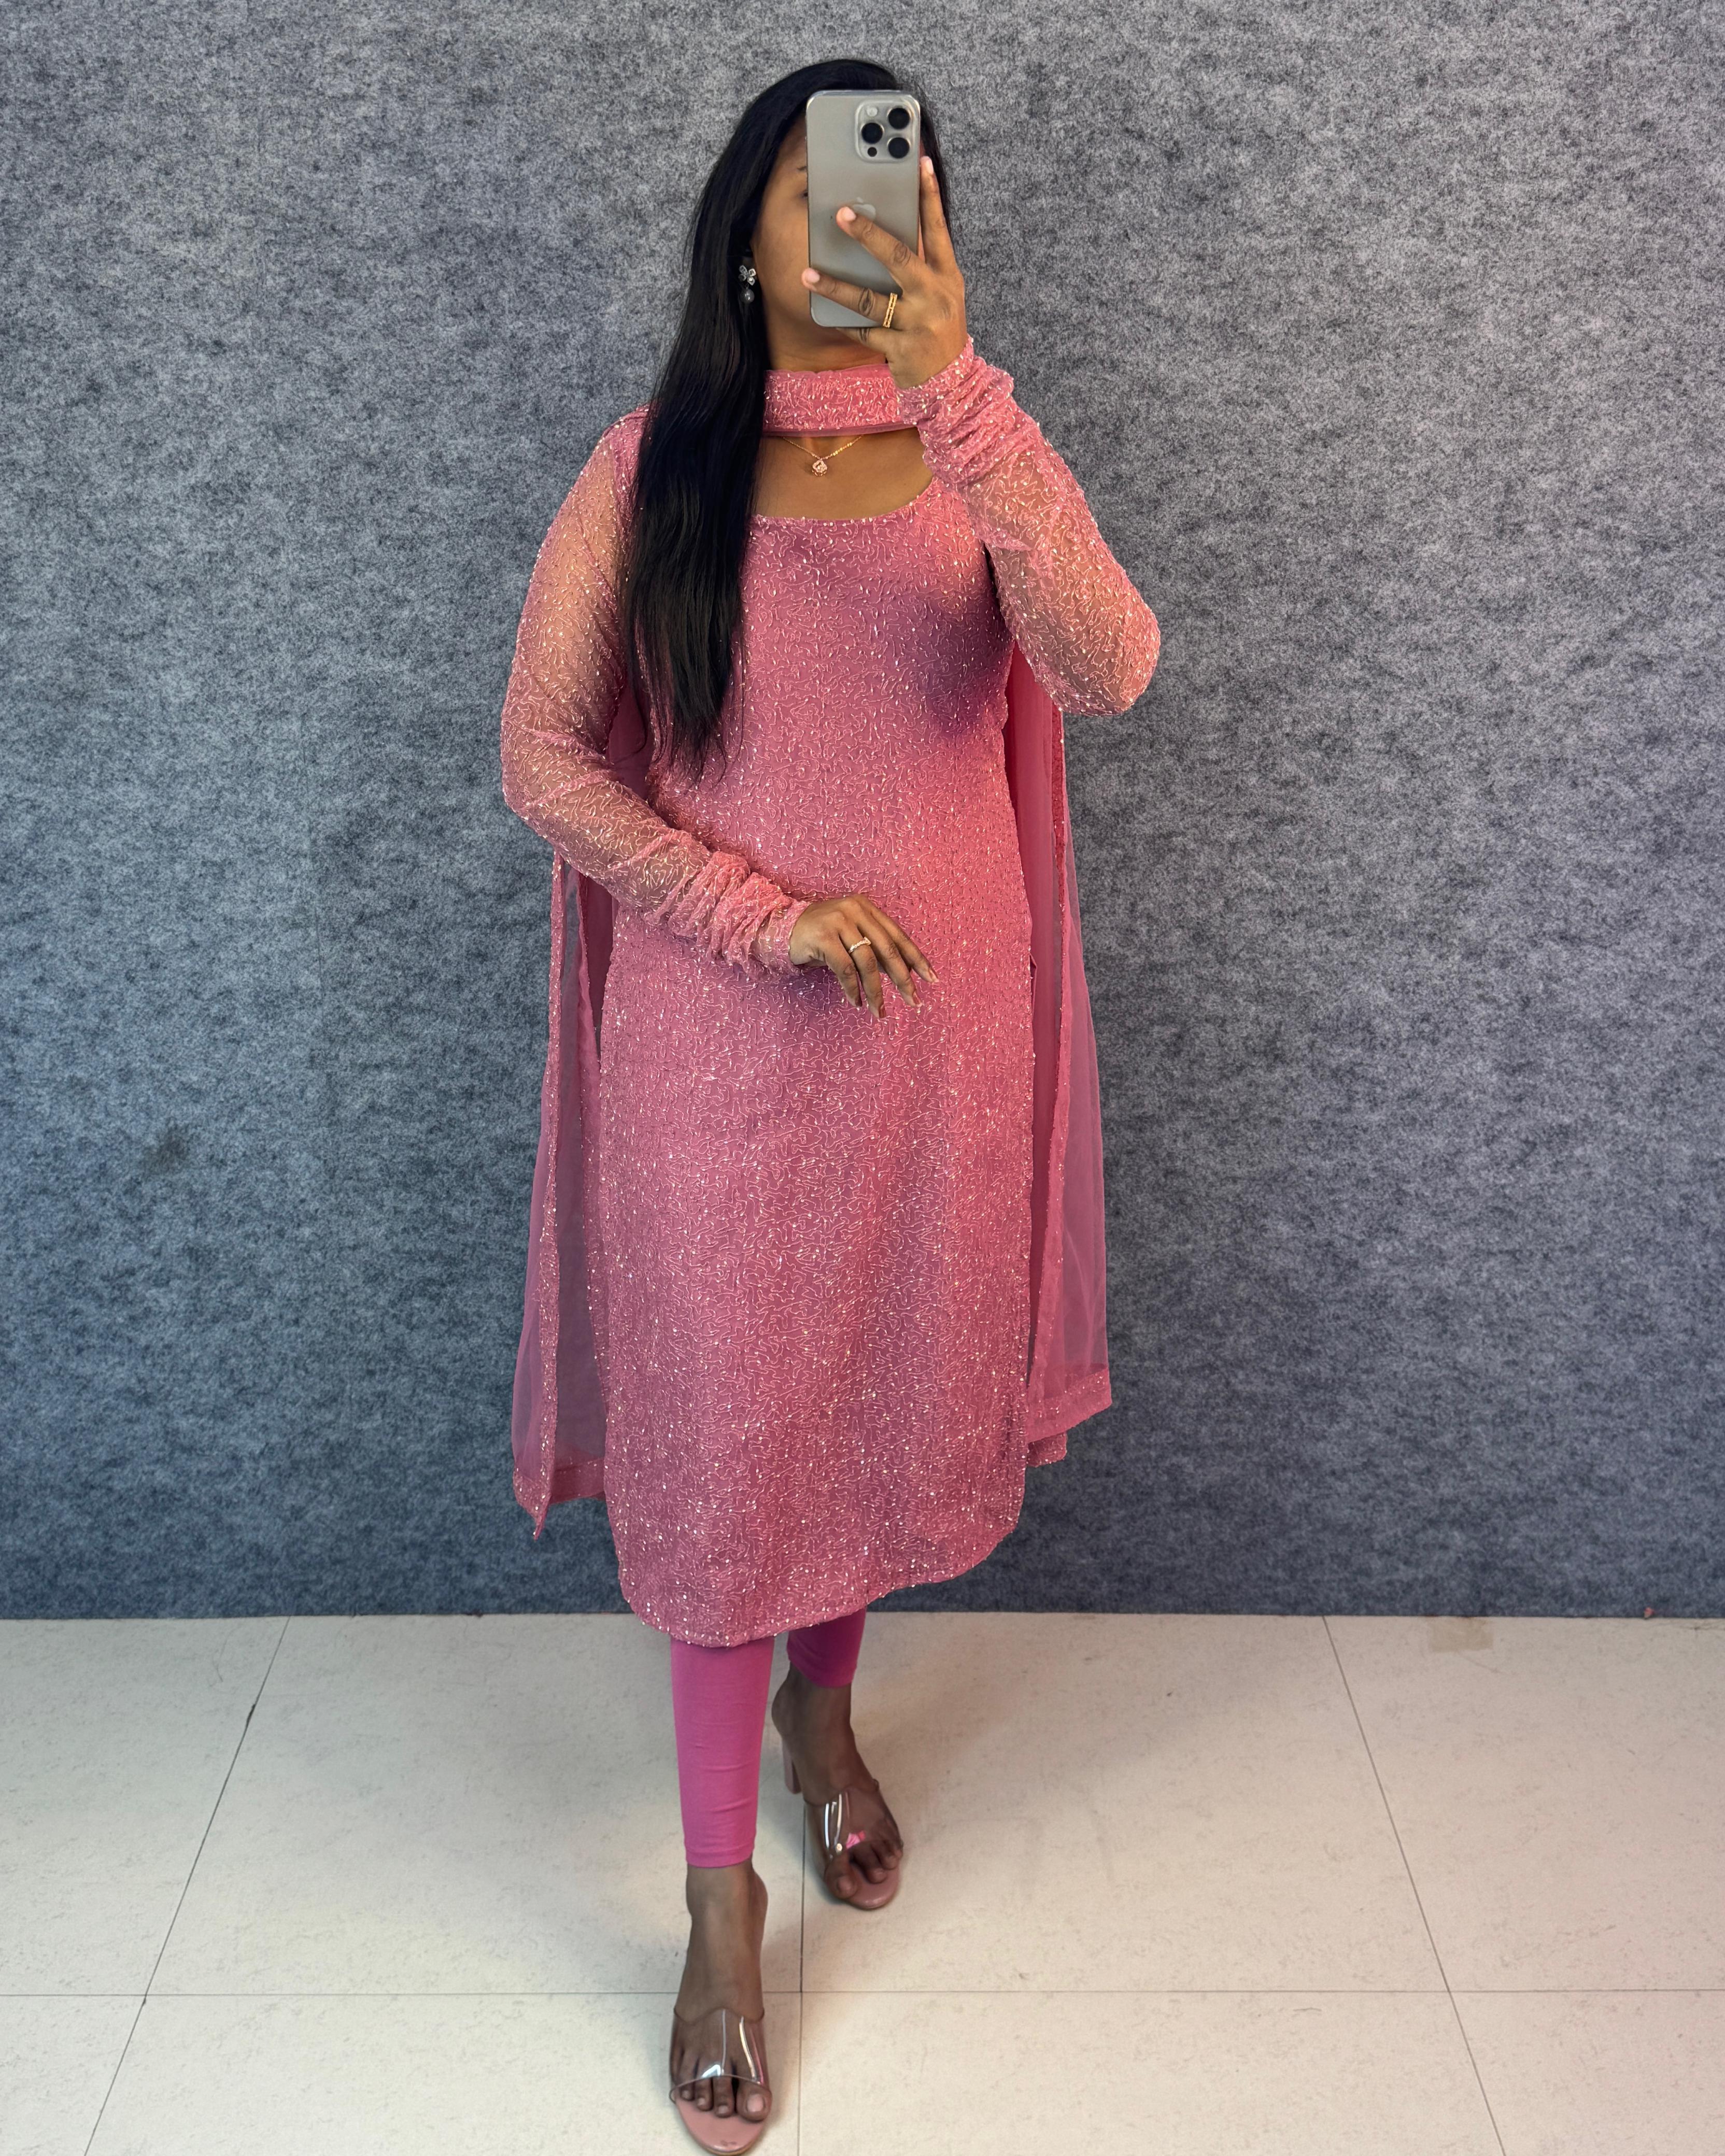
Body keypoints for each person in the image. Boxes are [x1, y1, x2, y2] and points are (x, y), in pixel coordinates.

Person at [498, 58, 1158, 2150]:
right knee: (724, 1465)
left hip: (929, 1062)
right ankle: (720, 1906)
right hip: (713, 1066)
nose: (856, 219)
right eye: (815, 187)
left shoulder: (979, 453)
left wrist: (962, 391)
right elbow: (540, 753)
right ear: (743, 235)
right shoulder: (650, 471)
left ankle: (825, 1713)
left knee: (864, 1409)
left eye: (894, 186)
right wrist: (752, 912)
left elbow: (1111, 665)